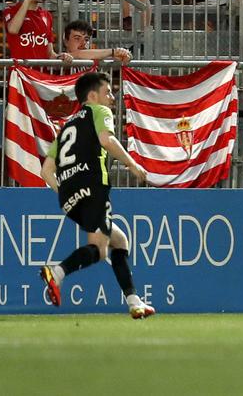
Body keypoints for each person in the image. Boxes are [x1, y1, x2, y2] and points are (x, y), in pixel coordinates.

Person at [36, 72, 157, 319]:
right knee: (99, 250)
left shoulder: (66, 126)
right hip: (93, 186)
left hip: (69, 197)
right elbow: (107, 139)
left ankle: (134, 302)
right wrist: (133, 165)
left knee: (119, 240)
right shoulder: (99, 112)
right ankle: (56, 273)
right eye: (108, 92)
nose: (112, 97)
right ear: (92, 96)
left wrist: (69, 192)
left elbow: (46, 171)